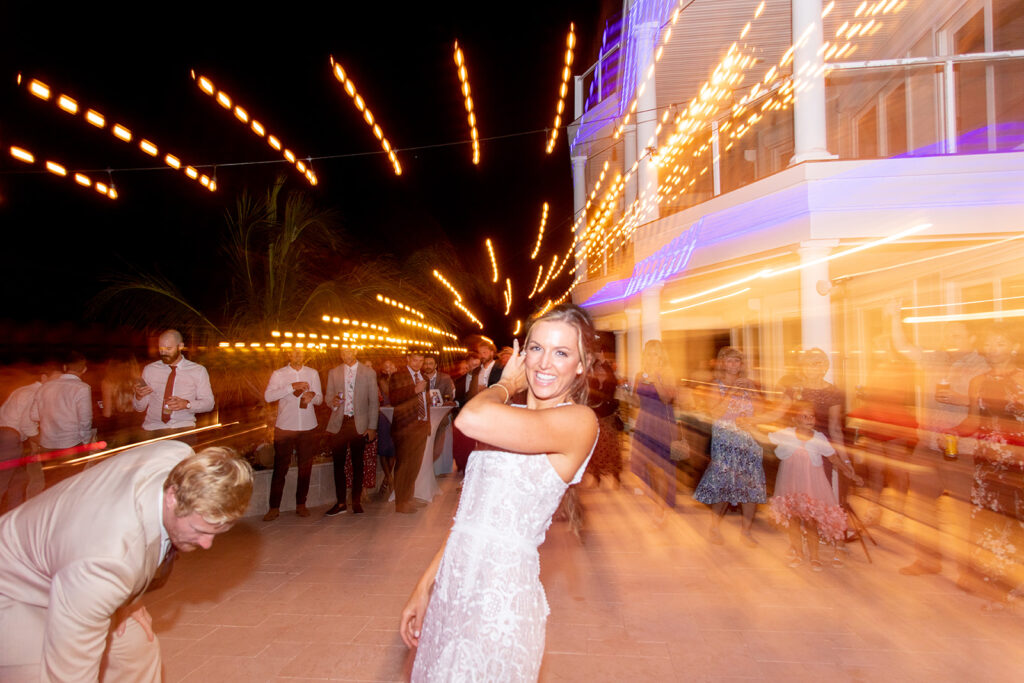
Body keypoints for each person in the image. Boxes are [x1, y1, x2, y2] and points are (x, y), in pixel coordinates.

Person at [400, 303, 599, 681]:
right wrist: (425, 586)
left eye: (561, 353)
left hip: (500, 602)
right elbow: (469, 521)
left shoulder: (579, 421)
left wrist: (506, 385)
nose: (544, 363)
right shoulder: (509, 418)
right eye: (536, 348)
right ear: (523, 354)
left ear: (581, 365)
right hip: (454, 589)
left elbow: (471, 417)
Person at [0, 441, 253, 681]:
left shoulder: (179, 458)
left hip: (74, 570)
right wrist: (113, 586)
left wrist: (129, 597)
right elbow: (70, 673)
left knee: (137, 649)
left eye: (216, 532)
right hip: (12, 590)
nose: (207, 544)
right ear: (172, 497)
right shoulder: (106, 563)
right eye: (199, 530)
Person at [888, 302, 989, 575]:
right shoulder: (935, 359)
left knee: (964, 512)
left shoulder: (980, 366)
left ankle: (969, 570)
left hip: (961, 448)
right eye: (947, 334)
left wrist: (961, 399)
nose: (949, 339)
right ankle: (927, 560)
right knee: (922, 505)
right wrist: (896, 317)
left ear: (972, 339)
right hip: (928, 443)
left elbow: (989, 405)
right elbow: (904, 347)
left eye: (956, 334)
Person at [953, 324, 1024, 610]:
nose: (993, 348)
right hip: (987, 461)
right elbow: (974, 421)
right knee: (989, 521)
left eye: (1000, 342)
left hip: (1018, 460)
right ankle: (995, 584)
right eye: (990, 342)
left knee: (1015, 521)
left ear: (1014, 348)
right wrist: (951, 433)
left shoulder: (1022, 379)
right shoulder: (978, 381)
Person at [744, 402, 862, 571]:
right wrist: (750, 428)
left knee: (811, 522)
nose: (809, 419)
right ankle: (798, 553)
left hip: (812, 486)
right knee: (794, 520)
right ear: (795, 419)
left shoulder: (819, 438)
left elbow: (833, 458)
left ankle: (814, 557)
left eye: (811, 416)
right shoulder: (787, 434)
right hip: (791, 485)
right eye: (804, 416)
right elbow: (765, 438)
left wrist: (850, 473)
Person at [693, 346, 766, 546]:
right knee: (724, 484)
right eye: (729, 360)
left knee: (751, 486)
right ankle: (715, 528)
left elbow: (761, 411)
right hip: (725, 440)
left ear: (741, 365)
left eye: (737, 361)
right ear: (723, 364)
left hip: (748, 440)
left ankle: (746, 532)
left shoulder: (748, 384)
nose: (733, 364)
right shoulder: (715, 385)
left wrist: (752, 392)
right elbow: (715, 413)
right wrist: (733, 391)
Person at [262, 348, 322, 521]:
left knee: (305, 467)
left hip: (308, 426)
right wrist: (291, 387)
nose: (298, 355)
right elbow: (268, 396)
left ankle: (301, 504)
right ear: (289, 355)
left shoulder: (312, 373)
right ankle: (274, 507)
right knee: (280, 467)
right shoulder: (279, 374)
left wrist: (312, 396)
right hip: (285, 427)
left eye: (301, 353)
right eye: (294, 353)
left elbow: (319, 398)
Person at [133, 330, 215, 444]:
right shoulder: (150, 370)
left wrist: (186, 404)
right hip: (153, 430)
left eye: (168, 348)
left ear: (180, 346)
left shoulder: (198, 371)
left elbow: (209, 404)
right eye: (161, 348)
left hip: (183, 430)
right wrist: (138, 396)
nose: (164, 352)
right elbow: (139, 408)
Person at [324, 347, 378, 516]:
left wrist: (372, 427)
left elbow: (373, 401)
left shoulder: (368, 373)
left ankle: (356, 501)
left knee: (358, 463)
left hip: (359, 423)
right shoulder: (334, 372)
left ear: (355, 352)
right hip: (340, 423)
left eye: (349, 351)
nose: (345, 355)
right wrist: (332, 402)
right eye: (343, 352)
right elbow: (328, 398)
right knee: (338, 464)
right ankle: (341, 502)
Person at [0, 364, 60, 512]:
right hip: (9, 438)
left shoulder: (24, 390)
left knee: (19, 480)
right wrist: (45, 443)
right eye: (55, 379)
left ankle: (13, 515)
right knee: (4, 483)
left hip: (8, 437)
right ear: (44, 377)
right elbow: (27, 426)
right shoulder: (35, 393)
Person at [630, 340, 677, 522]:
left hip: (662, 423)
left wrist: (656, 379)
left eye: (655, 354)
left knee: (660, 467)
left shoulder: (667, 373)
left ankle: (660, 508)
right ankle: (657, 500)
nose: (652, 357)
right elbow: (636, 401)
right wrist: (628, 393)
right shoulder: (639, 375)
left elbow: (667, 399)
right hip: (645, 422)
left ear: (661, 356)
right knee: (648, 464)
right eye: (649, 353)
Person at [390, 351, 430, 513]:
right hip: (405, 427)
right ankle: (400, 502)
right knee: (403, 465)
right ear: (407, 359)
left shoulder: (424, 377)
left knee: (415, 465)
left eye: (421, 360)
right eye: (414, 360)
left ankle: (408, 498)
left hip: (421, 425)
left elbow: (424, 400)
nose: (417, 363)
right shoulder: (398, 375)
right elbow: (394, 398)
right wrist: (414, 389)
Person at [30, 351, 93, 455]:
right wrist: (86, 442)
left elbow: (34, 416)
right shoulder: (82, 388)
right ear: (84, 369)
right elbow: (85, 420)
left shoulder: (45, 386)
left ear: (64, 367)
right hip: (71, 444)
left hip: (47, 444)